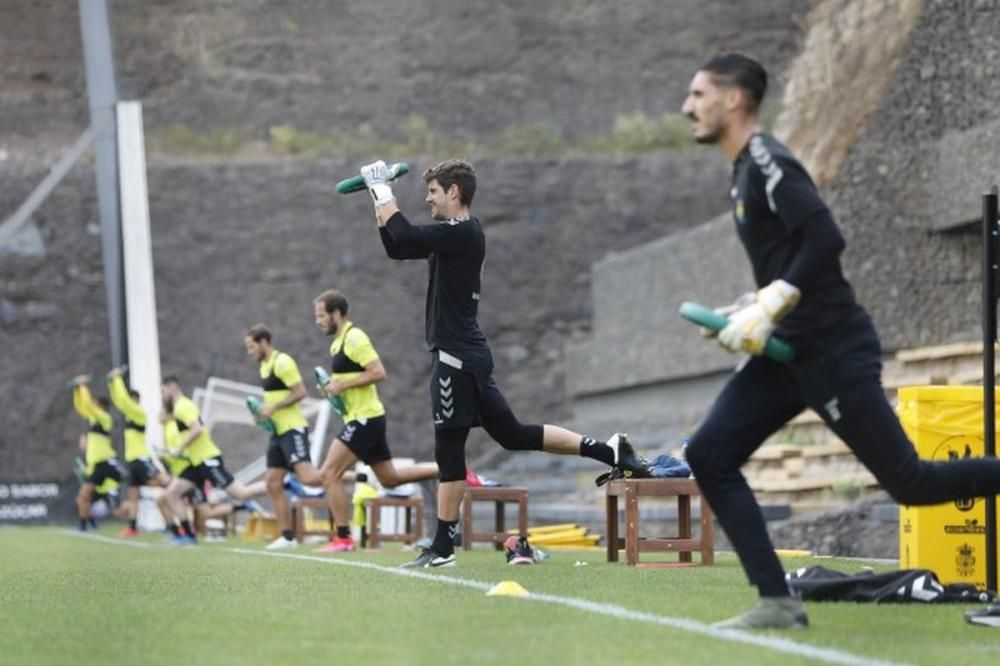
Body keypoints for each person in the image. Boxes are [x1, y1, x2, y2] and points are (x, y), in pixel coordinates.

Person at [678, 53, 1000, 629]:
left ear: (733, 100)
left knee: (911, 484)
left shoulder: (767, 160)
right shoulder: (741, 174)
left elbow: (826, 237)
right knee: (709, 453)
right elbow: (790, 260)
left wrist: (774, 298)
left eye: (698, 95)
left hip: (833, 349)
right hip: (788, 352)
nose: (687, 107)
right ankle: (777, 602)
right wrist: (750, 310)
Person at [361, 158, 650, 568]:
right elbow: (397, 245)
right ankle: (611, 452)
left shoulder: (463, 232)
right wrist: (378, 196)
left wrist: (382, 189)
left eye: (433, 192)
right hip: (466, 355)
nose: (427, 199)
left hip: (456, 359)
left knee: (449, 452)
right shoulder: (452, 235)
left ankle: (442, 548)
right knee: (513, 434)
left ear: (454, 193)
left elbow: (404, 232)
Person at [311, 289, 439, 553]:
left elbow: (379, 372)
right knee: (390, 479)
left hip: (365, 420)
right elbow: (349, 384)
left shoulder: (355, 338)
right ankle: (449, 468)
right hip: (365, 418)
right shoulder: (337, 343)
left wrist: (342, 384)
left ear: (336, 313)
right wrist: (334, 389)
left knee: (329, 474)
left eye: (322, 315)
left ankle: (344, 538)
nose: (318, 321)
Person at [244, 323, 335, 550]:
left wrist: (273, 408)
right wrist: (262, 414)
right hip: (277, 432)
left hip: (293, 429)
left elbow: (301, 392)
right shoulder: (264, 367)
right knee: (273, 483)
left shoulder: (282, 362)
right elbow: (274, 400)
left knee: (309, 479)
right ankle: (287, 537)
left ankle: (345, 474)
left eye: (251, 347)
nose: (250, 352)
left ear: (264, 342)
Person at [160, 376, 267, 545]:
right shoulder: (178, 408)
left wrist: (178, 448)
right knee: (170, 494)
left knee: (240, 493)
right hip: (196, 463)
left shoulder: (182, 406)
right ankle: (188, 536)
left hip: (207, 459)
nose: (163, 395)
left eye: (163, 391)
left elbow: (197, 430)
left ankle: (284, 482)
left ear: (172, 388)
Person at [106, 366, 172, 537]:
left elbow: (122, 400)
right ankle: (132, 527)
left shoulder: (138, 412)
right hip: (133, 460)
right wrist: (112, 383)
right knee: (133, 495)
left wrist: (117, 379)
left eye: (131, 399)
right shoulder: (130, 414)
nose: (128, 402)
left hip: (141, 458)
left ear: (136, 400)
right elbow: (119, 401)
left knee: (166, 483)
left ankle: (188, 495)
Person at [71, 375, 126, 531]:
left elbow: (87, 405)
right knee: (83, 496)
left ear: (101, 406)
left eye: (95, 404)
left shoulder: (104, 417)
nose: (92, 406)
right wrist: (77, 390)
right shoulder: (94, 419)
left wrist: (82, 386)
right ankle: (84, 525)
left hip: (107, 462)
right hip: (96, 466)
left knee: (133, 482)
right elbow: (81, 407)